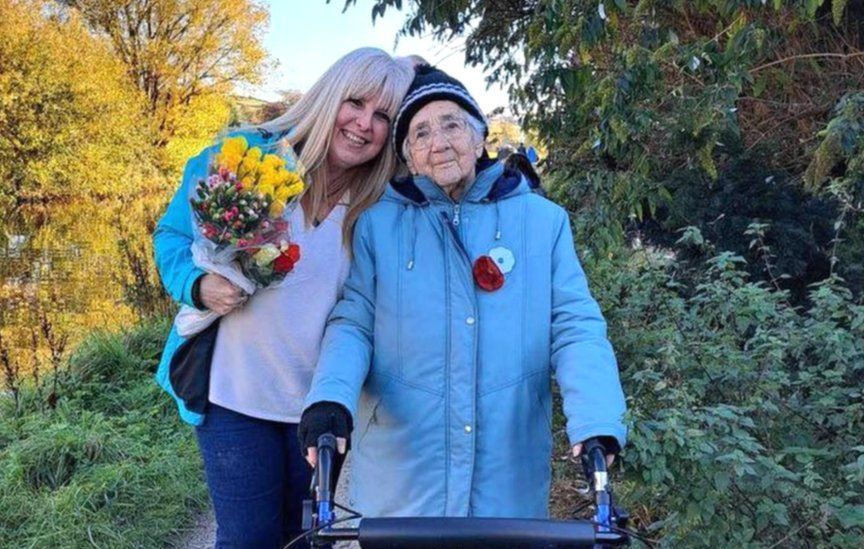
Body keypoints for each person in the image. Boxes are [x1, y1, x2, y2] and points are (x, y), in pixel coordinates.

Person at [298, 64, 626, 519]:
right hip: (404, 473)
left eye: (452, 124)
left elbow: (576, 327)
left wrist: (596, 420)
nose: (439, 142)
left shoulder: (543, 223)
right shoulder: (377, 226)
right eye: (421, 132)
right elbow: (353, 322)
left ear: (479, 137)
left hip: (507, 472)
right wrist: (329, 400)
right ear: (408, 156)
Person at [152, 48, 414, 548]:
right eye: (355, 102)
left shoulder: (379, 204)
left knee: (306, 539)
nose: (364, 124)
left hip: (319, 407)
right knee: (248, 539)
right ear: (329, 95)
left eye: (382, 115)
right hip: (234, 397)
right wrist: (198, 285)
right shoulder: (247, 159)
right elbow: (170, 236)